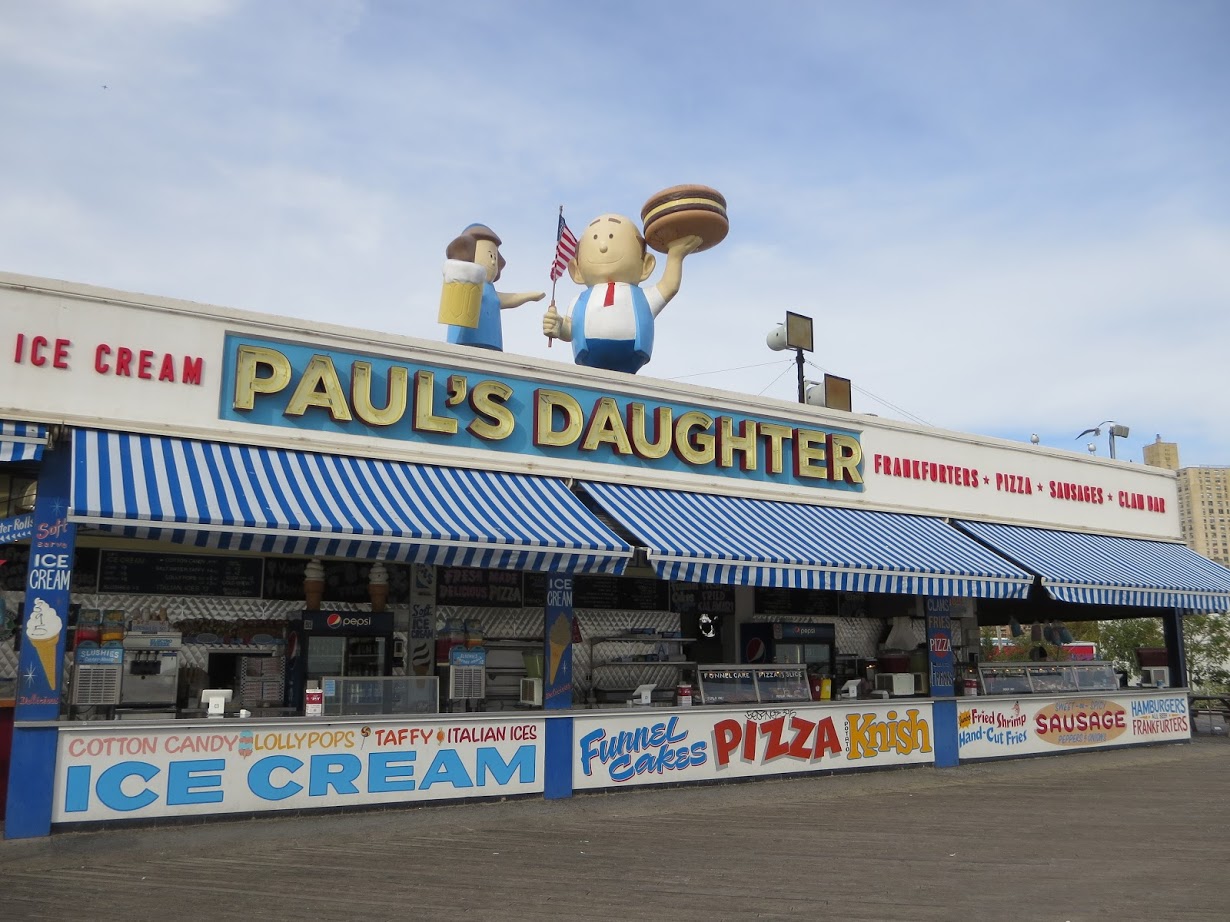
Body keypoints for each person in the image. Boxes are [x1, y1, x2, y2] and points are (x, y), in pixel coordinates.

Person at [542, 213, 702, 374]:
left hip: (632, 356)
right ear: (576, 271)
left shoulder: (642, 298)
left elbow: (669, 287)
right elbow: (570, 329)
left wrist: (675, 257)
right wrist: (558, 326)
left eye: (611, 237)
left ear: (646, 265)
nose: (603, 247)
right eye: (596, 238)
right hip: (588, 357)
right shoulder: (578, 301)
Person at [445, 224, 544, 351]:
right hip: (463, 341)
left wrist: (530, 295)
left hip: (492, 345)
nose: (493, 262)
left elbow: (507, 299)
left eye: (494, 257)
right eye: (490, 256)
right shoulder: (463, 283)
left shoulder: (489, 290)